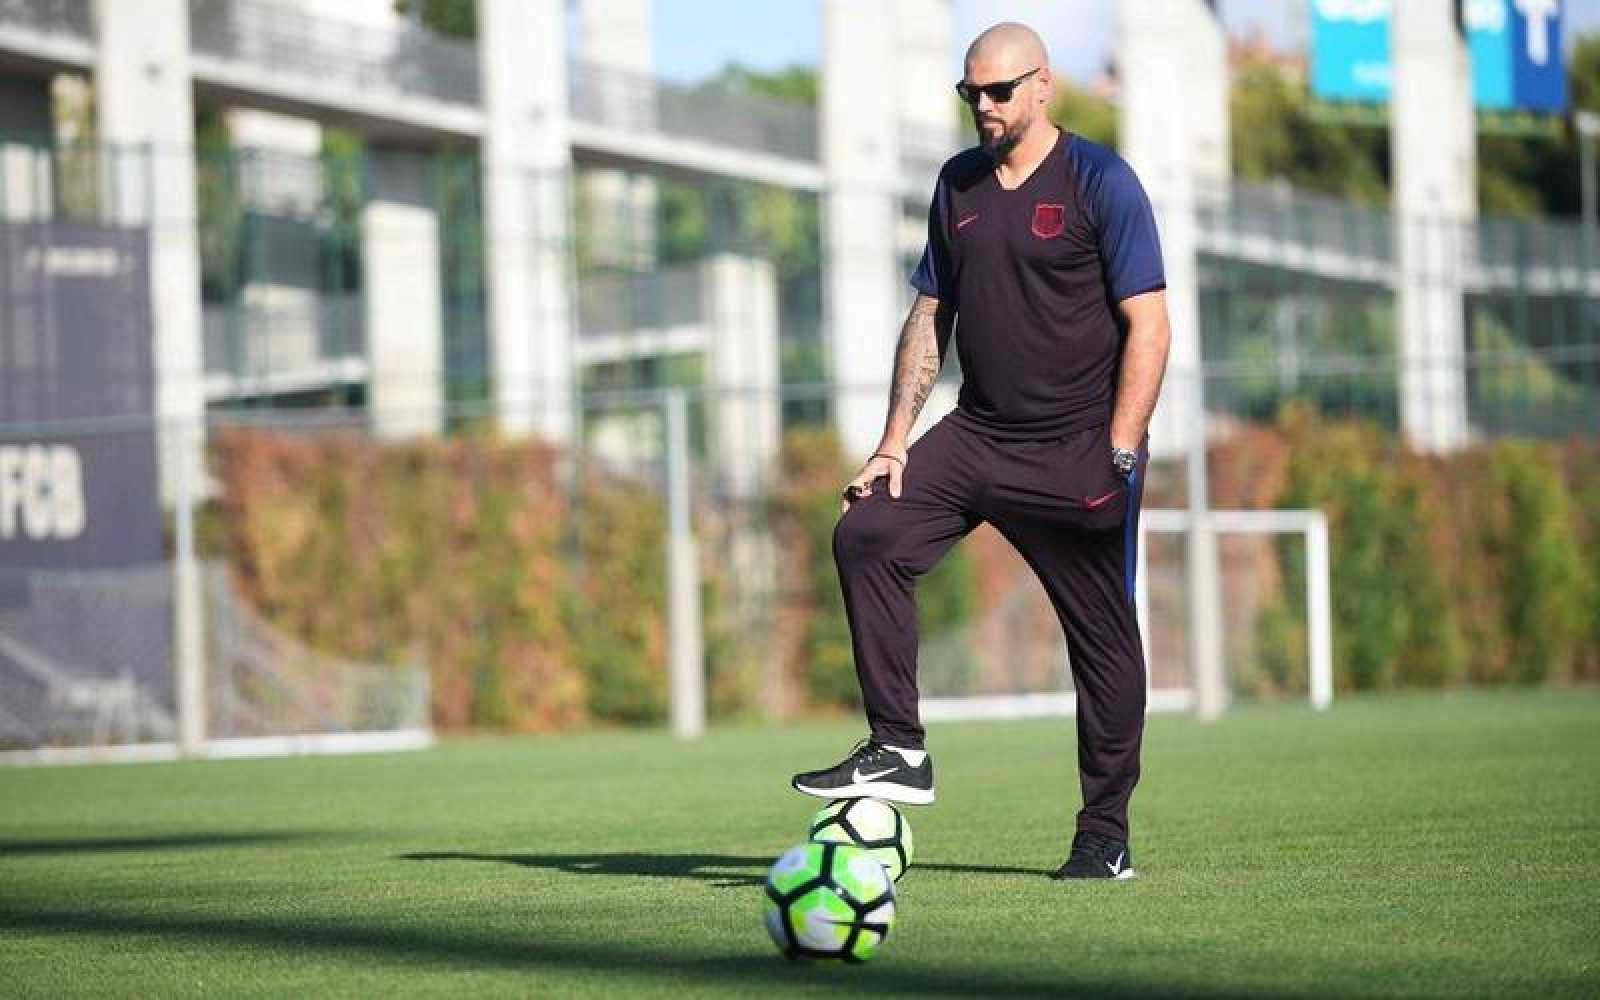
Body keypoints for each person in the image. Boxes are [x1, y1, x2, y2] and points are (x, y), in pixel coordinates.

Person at [789, 21, 1170, 881]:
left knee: (1104, 645)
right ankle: (898, 747)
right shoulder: (956, 184)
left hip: (1078, 447)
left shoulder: (1101, 181)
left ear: (1044, 87)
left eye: (1000, 91)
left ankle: (1103, 835)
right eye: (972, 93)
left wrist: (1118, 450)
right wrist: (893, 442)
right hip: (981, 433)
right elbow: (931, 315)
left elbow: (1149, 322)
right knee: (867, 534)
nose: (985, 106)